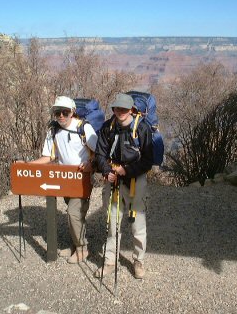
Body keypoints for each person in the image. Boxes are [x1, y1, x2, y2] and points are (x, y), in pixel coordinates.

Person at [31, 95, 97, 264]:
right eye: (57, 112)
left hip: (81, 178)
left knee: (73, 213)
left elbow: (99, 153)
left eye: (65, 112)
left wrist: (91, 165)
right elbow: (48, 157)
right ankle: (75, 245)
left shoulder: (83, 128)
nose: (61, 116)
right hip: (65, 178)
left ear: (72, 112)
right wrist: (27, 165)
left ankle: (82, 248)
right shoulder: (53, 130)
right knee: (75, 214)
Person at [94, 93, 153, 279]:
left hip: (136, 179)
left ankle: (138, 260)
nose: (120, 112)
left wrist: (126, 171)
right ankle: (110, 261)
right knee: (112, 222)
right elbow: (100, 154)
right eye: (117, 108)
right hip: (114, 180)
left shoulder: (142, 129)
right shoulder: (107, 128)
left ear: (132, 110)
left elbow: (148, 160)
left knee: (137, 223)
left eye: (124, 109)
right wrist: (107, 171)